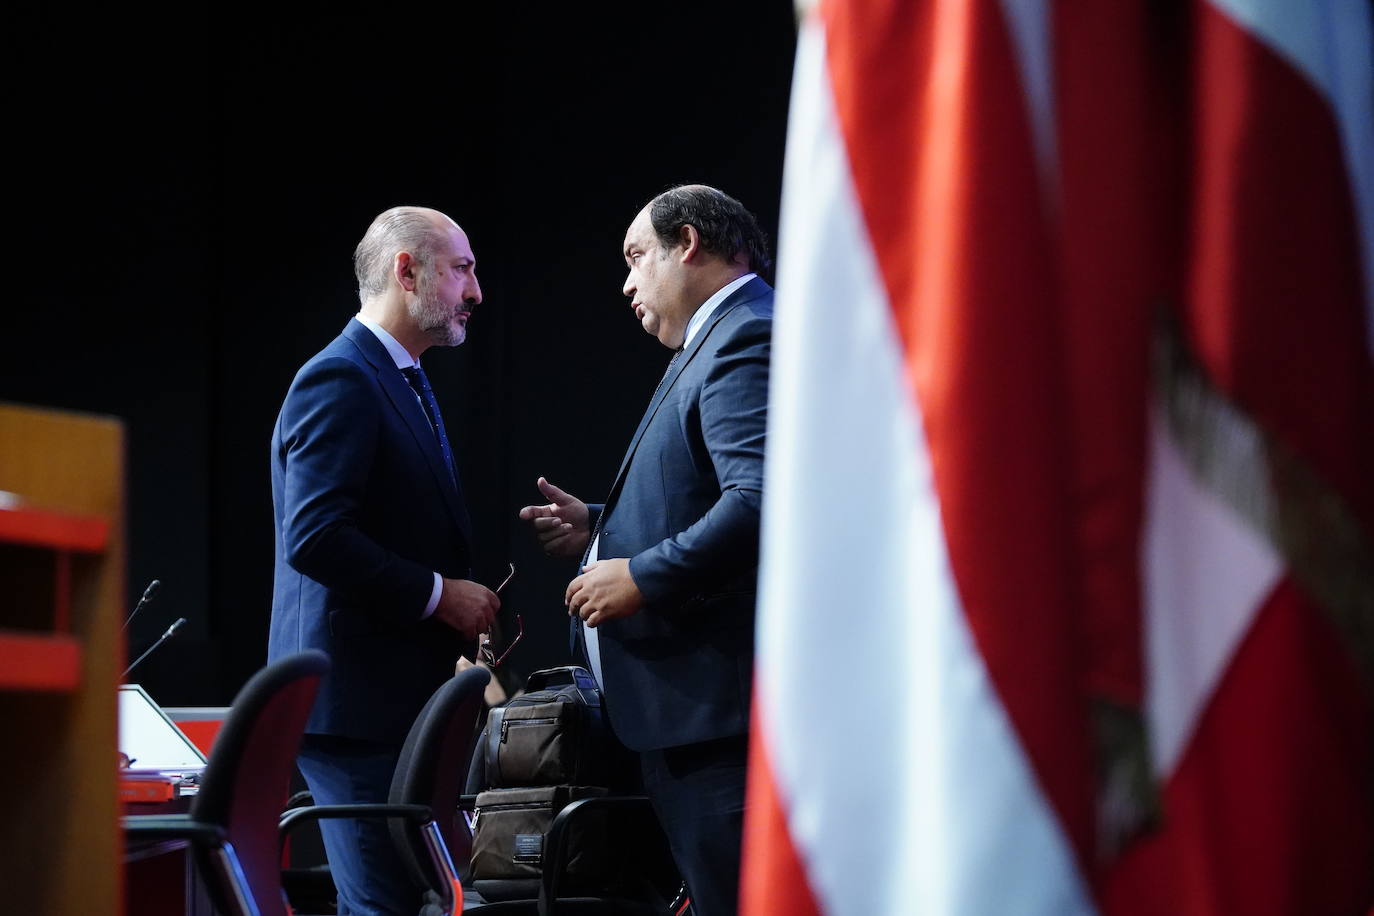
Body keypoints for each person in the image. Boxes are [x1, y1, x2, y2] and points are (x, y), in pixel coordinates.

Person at [519, 184, 772, 916]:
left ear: (686, 242)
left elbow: (761, 502)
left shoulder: (745, 334)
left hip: (716, 718)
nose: (627, 283)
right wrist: (600, 527)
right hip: (686, 718)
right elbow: (701, 489)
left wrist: (642, 576)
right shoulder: (720, 337)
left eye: (636, 258)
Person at [269, 206, 499, 915]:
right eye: (462, 268)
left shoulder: (402, 378)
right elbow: (313, 535)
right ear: (407, 271)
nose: (476, 291)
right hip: (355, 713)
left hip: (393, 706)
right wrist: (439, 594)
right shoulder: (339, 377)